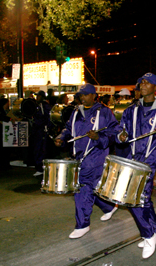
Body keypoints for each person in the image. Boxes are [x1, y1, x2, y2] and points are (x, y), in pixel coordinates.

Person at [116, 72, 156, 259]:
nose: (142, 85)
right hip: (133, 159)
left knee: (132, 197)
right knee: (143, 199)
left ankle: (147, 233)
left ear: (155, 88)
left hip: (150, 161)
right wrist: (121, 136)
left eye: (146, 83)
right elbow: (121, 131)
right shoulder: (131, 110)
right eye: (141, 83)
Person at [55, 84, 119, 239]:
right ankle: (109, 207)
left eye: (85, 95)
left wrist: (99, 138)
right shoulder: (77, 111)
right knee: (91, 188)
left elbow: (114, 132)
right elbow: (69, 128)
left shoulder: (104, 112)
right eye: (80, 96)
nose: (82, 98)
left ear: (93, 95)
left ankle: (82, 225)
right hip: (79, 156)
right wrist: (61, 138)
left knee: (82, 188)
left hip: (96, 156)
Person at [32, 90, 53, 176]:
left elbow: (48, 118)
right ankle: (41, 167)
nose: (37, 98)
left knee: (40, 149)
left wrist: (47, 127)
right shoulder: (41, 106)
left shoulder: (44, 106)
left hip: (41, 131)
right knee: (40, 149)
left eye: (38, 96)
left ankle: (40, 168)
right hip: (39, 130)